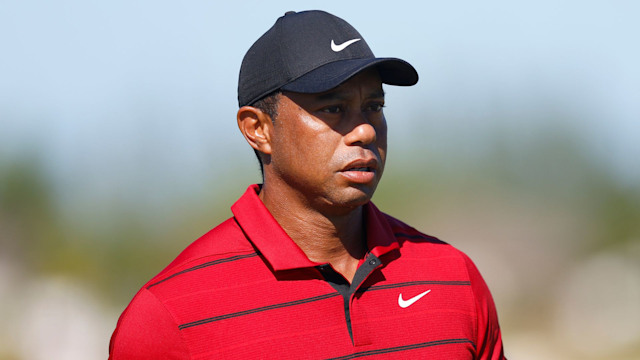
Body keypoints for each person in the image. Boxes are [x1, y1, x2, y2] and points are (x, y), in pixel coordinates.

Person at [109, 10, 505, 359]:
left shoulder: (453, 279)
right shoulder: (170, 315)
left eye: (374, 107)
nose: (365, 130)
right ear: (259, 129)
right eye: (333, 108)